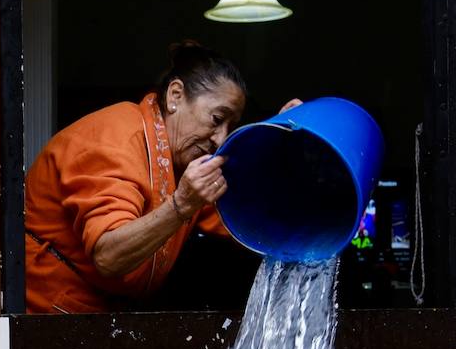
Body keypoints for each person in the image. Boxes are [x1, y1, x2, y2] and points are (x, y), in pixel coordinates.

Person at [24, 42, 300, 313]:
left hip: (103, 312)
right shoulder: (115, 140)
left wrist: (272, 144)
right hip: (48, 312)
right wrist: (180, 206)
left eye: (230, 126)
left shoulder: (179, 157)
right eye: (217, 119)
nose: (221, 138)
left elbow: (243, 215)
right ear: (175, 96)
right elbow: (108, 257)